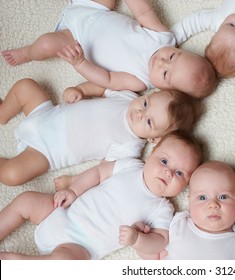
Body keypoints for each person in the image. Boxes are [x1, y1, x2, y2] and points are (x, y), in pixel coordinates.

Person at [0, 130, 203, 260]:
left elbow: (160, 240)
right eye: (165, 162)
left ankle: (14, 262)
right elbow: (97, 173)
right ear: (151, 154)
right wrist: (73, 190)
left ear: (187, 184)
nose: (168, 172)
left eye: (179, 173)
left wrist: (137, 239)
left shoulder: (162, 208)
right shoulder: (131, 166)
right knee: (26, 200)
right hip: (62, 211)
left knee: (63, 265)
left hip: (79, 245)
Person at [0, 78, 199, 187]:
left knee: (12, 175)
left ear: (155, 138)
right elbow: (101, 87)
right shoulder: (126, 96)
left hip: (46, 151)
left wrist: (74, 182)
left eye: (148, 121)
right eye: (146, 103)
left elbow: (101, 172)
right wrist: (80, 90)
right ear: (150, 94)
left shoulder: (129, 146)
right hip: (45, 112)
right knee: (26, 86)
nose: (140, 113)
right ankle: (3, 113)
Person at [1, 0, 217, 98]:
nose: (162, 61)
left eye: (166, 72)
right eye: (172, 56)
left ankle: (27, 52)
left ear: (163, 89)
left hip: (74, 38)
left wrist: (80, 63)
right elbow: (144, 13)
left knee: (47, 44)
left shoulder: (140, 80)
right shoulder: (164, 37)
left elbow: (107, 79)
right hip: (94, 8)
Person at [158, 161, 235, 260]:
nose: (213, 205)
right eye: (202, 198)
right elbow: (154, 249)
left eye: (223, 197)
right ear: (189, 201)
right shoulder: (178, 223)